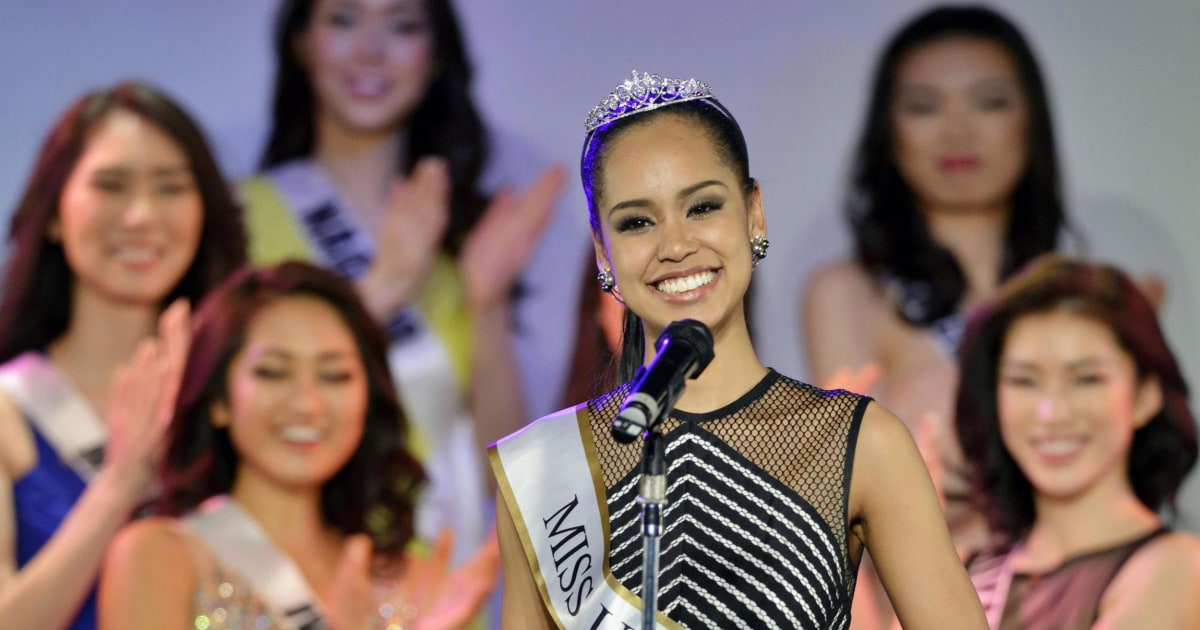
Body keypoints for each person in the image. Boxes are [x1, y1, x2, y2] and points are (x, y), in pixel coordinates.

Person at [489, 70, 985, 629]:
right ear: (603, 250)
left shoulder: (861, 442)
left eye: (702, 207)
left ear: (753, 214)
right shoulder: (544, 468)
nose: (675, 245)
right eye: (636, 222)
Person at [240, 0, 565, 565]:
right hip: (291, 583)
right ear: (301, 43)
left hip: (437, 595)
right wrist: (382, 290)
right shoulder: (239, 216)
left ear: (435, 56)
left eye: (402, 25)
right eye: (343, 20)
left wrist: (485, 304)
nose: (371, 49)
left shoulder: (454, 244)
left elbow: (502, 474)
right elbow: (226, 420)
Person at [802, 5, 1075, 557]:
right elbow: (855, 500)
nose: (958, 131)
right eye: (924, 107)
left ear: (1031, 121)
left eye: (990, 101)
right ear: (889, 131)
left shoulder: (1074, 293)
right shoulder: (849, 294)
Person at [99, 261, 500, 629]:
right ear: (219, 400)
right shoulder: (158, 557)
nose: (308, 404)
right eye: (273, 373)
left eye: (334, 376)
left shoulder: (414, 585)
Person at [0, 81, 247, 629]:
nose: (141, 217)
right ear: (55, 213)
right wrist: (118, 486)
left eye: (171, 188)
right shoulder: (9, 409)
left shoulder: (239, 397)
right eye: (110, 186)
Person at [953, 254, 1200, 629]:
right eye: (1024, 381)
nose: (1052, 413)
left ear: (1145, 396)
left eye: (1086, 379)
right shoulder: (966, 573)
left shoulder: (1178, 569)